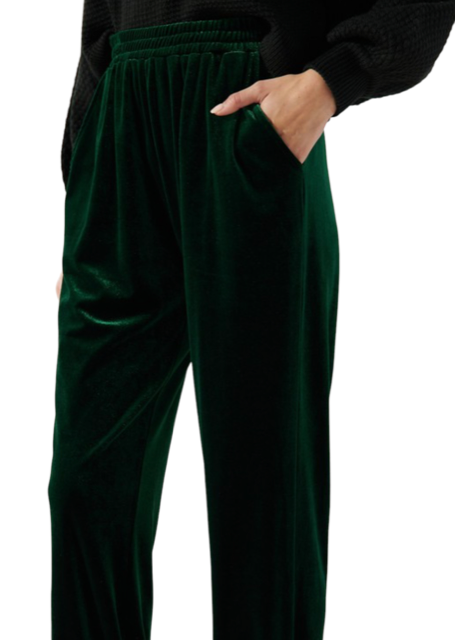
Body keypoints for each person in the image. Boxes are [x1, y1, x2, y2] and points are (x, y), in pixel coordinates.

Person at [49, 3, 455, 640]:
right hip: (120, 130)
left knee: (264, 496)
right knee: (85, 487)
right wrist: (82, 187)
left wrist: (330, 82)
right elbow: (101, 20)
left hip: (245, 113)